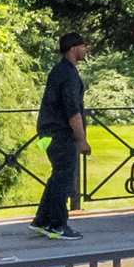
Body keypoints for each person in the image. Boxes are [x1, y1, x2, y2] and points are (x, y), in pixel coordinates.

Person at [32, 32, 89, 239]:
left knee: (58, 175)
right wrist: (81, 139)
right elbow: (72, 109)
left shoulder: (58, 70)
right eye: (83, 46)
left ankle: (42, 220)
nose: (86, 50)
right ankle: (58, 225)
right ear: (74, 48)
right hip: (60, 134)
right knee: (65, 177)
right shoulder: (69, 74)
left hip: (46, 133)